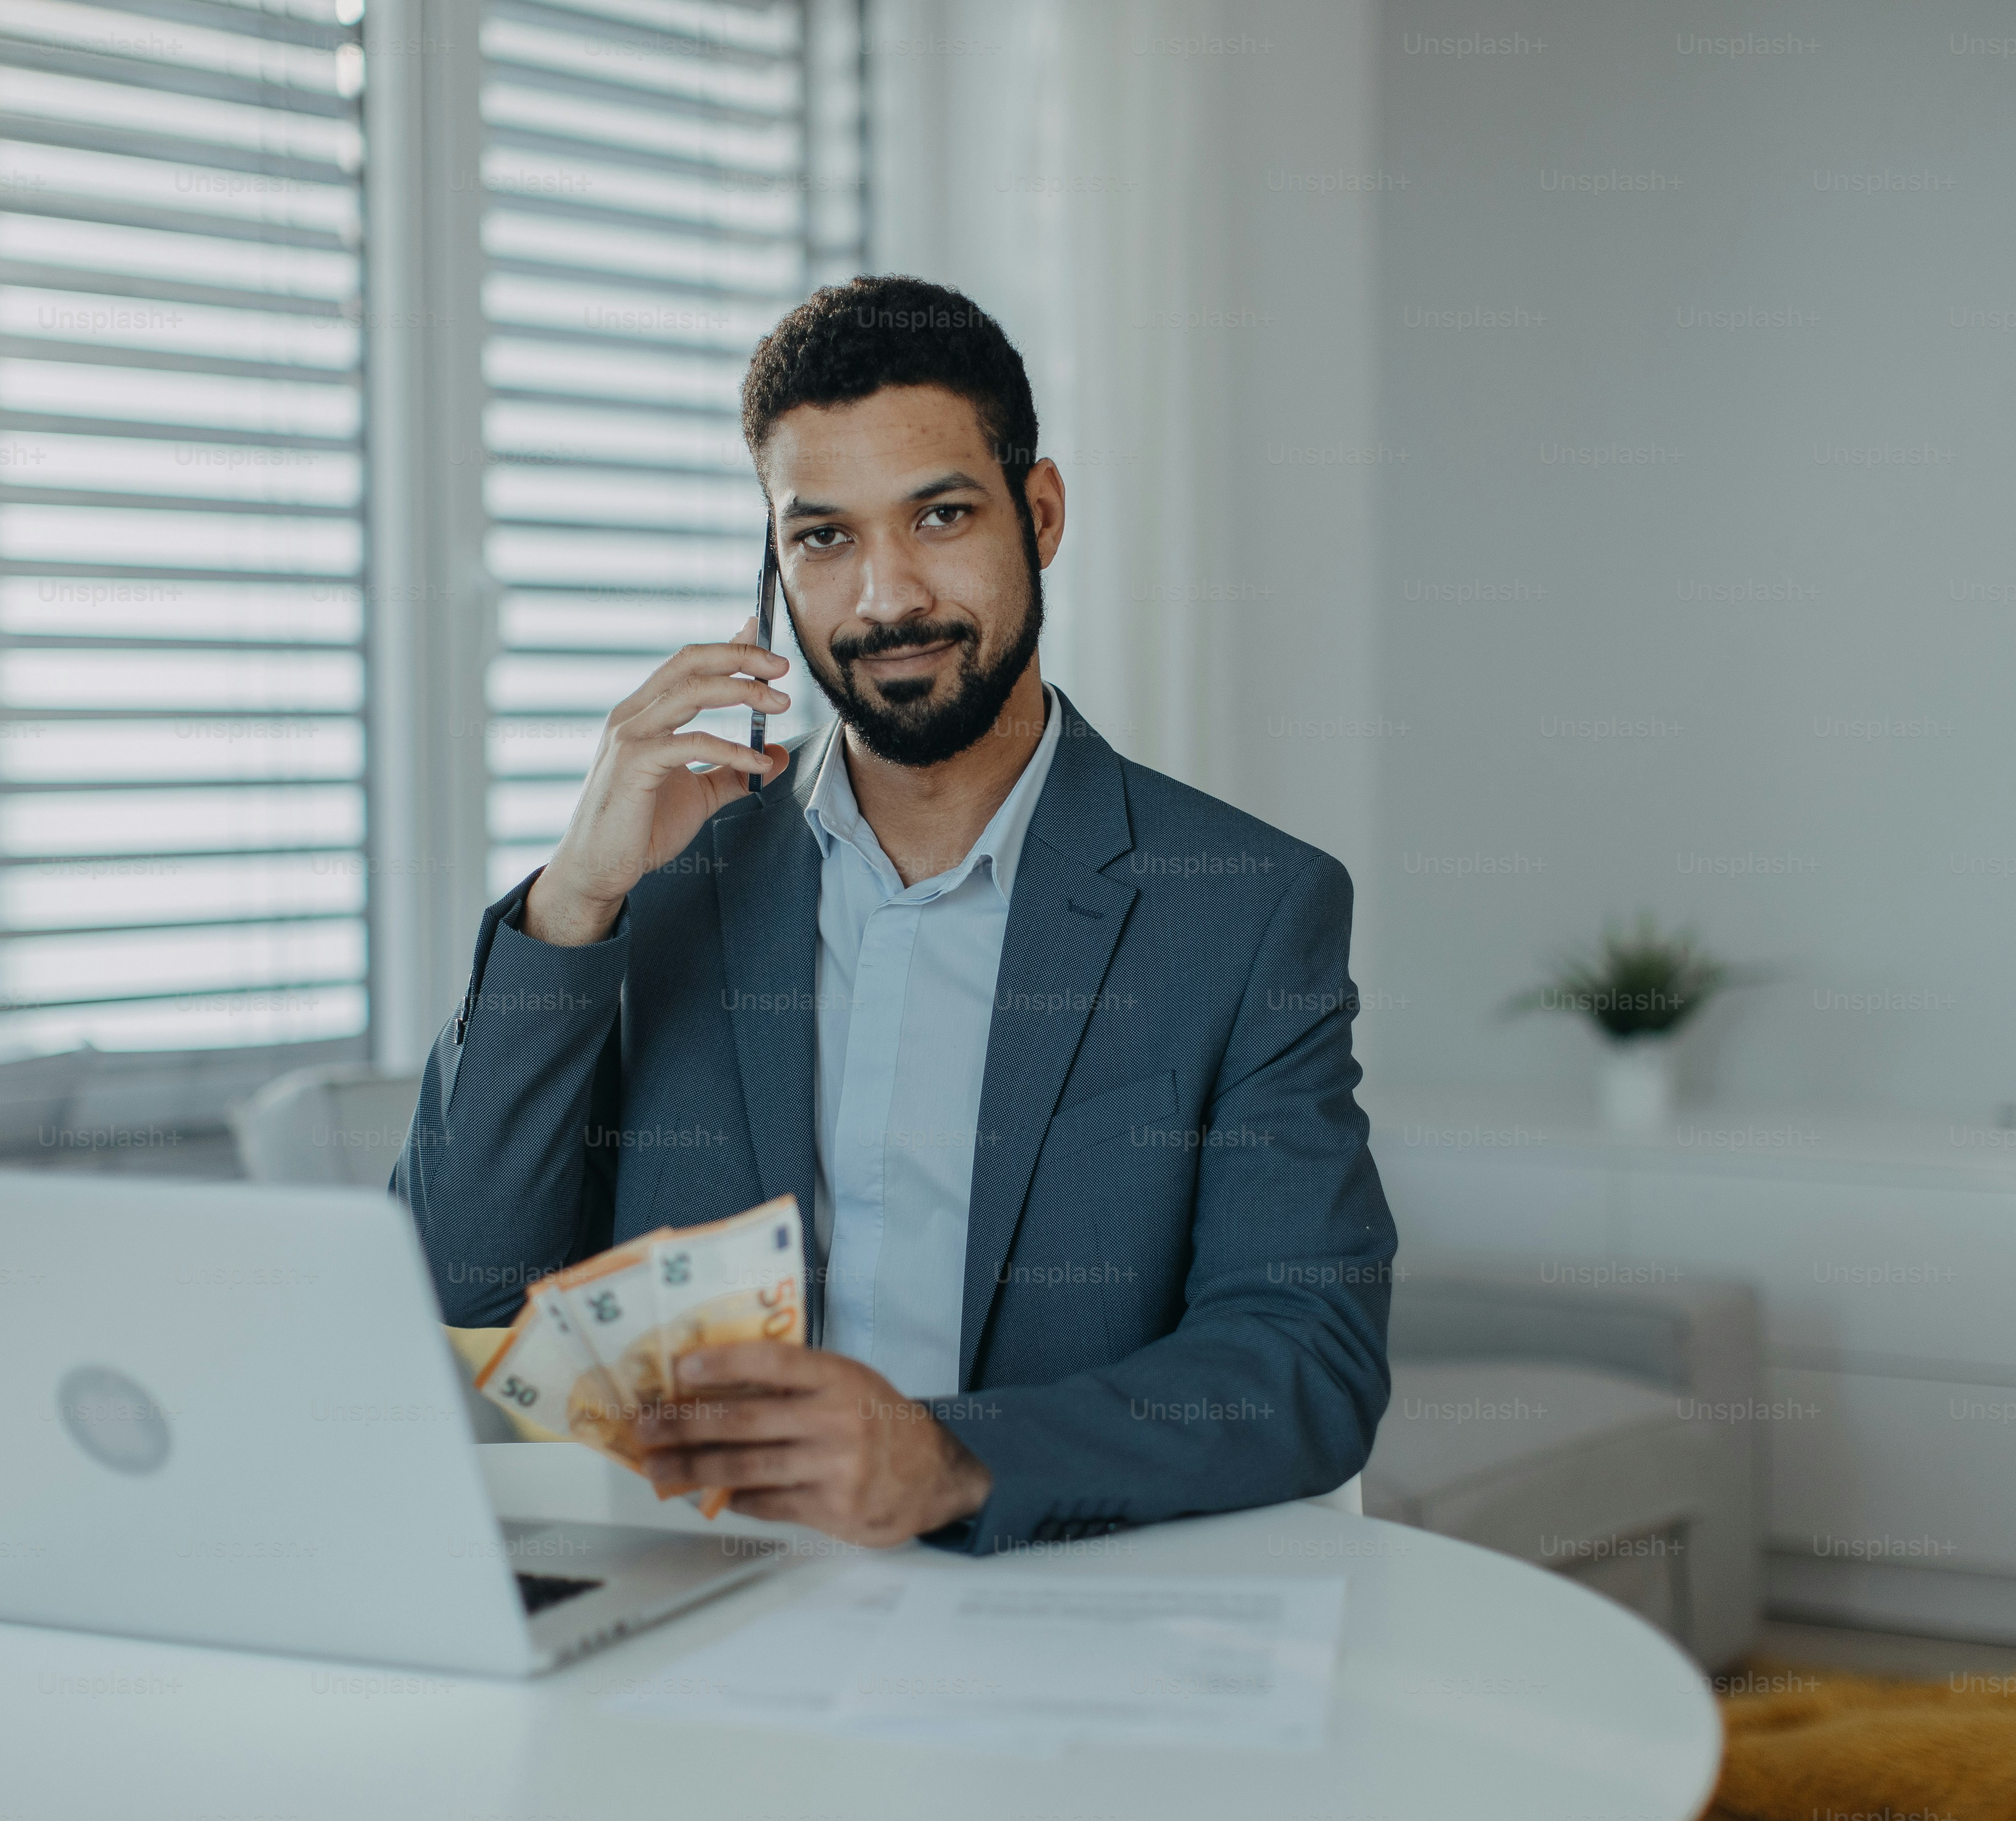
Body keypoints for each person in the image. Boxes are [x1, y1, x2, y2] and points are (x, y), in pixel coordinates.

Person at [394, 274, 1394, 1555]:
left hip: (1058, 1601)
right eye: (824, 539)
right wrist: (574, 901)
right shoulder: (662, 886)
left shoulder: (1246, 909)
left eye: (939, 516)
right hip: (712, 1602)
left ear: (1040, 515)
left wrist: (953, 1461)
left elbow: (1304, 1359)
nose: (885, 600)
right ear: (773, 568)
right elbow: (461, 1283)